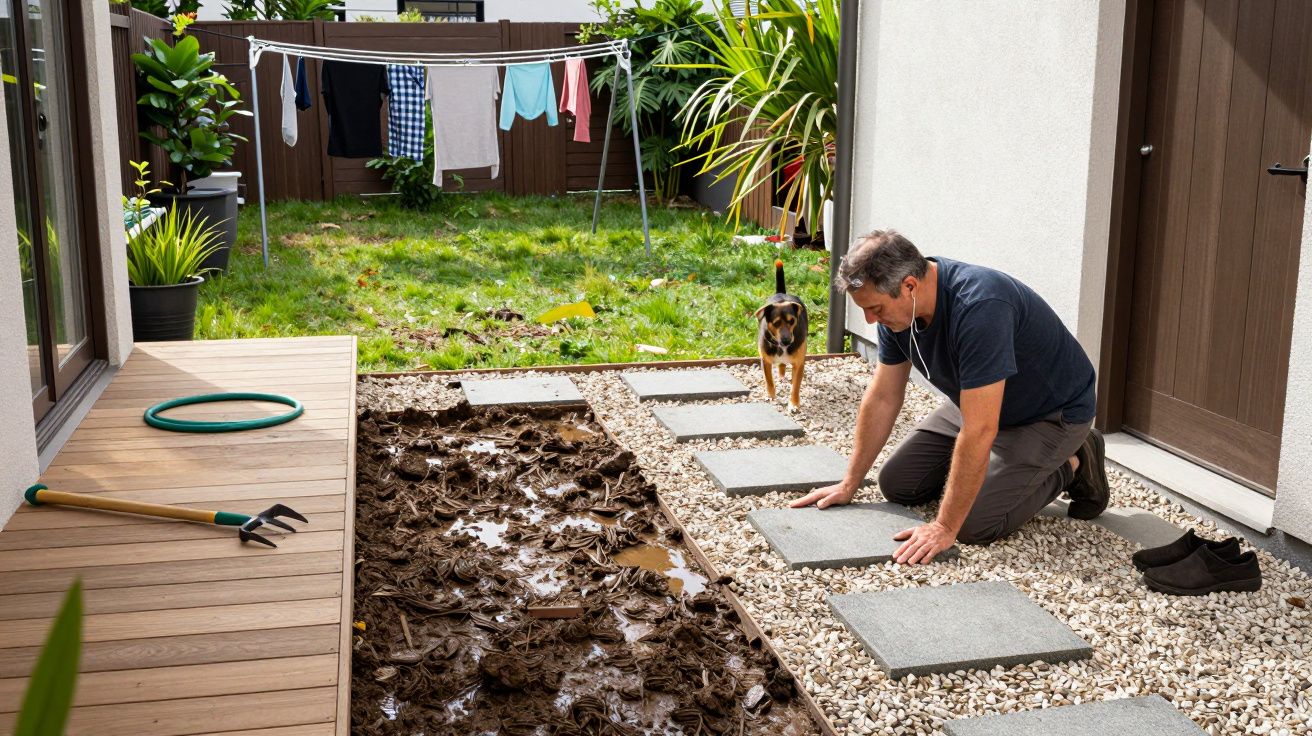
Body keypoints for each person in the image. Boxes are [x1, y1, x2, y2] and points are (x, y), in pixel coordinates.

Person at [791, 230, 1110, 564]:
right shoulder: (898, 311)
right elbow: (884, 395)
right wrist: (849, 483)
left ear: (909, 286)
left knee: (973, 525)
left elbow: (980, 429)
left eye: (875, 309)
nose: (871, 320)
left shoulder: (980, 307)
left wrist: (944, 525)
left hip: (1049, 416)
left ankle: (1076, 461)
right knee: (898, 484)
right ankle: (991, 475)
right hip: (977, 401)